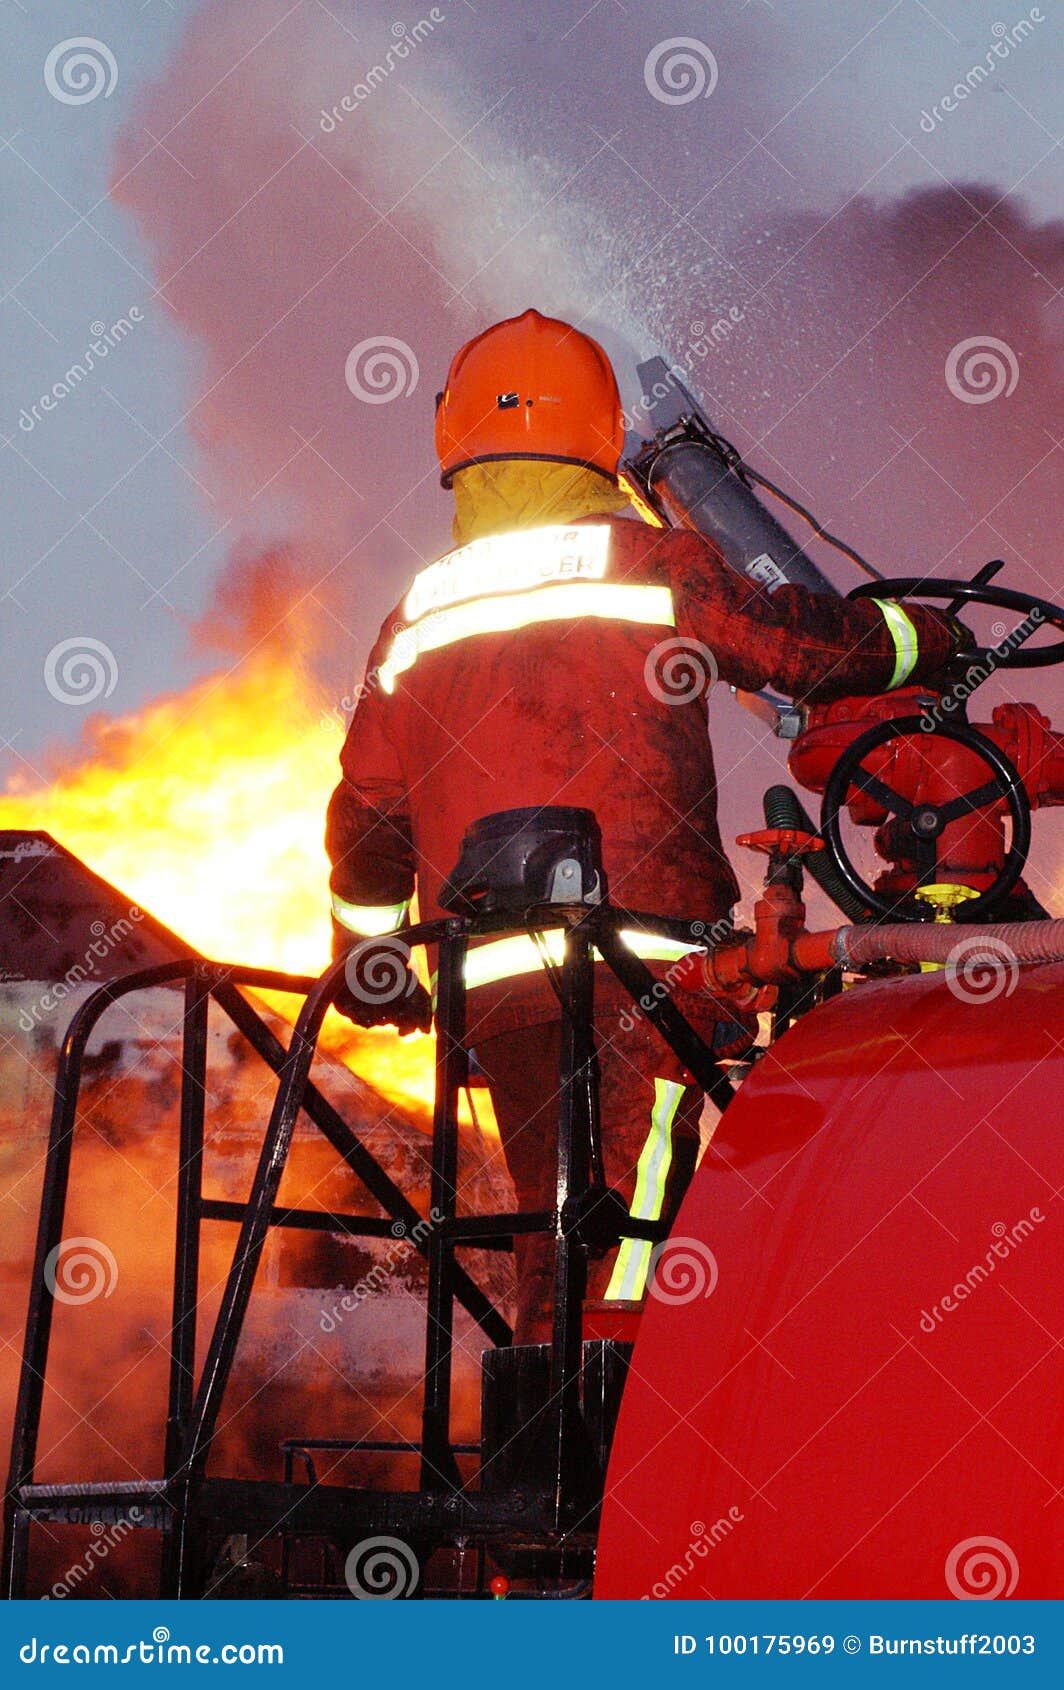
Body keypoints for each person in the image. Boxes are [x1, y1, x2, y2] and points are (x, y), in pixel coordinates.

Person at [325, 308, 959, 1342]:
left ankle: (550, 1450)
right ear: (596, 432)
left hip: (492, 995)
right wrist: (919, 639)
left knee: (557, 1230)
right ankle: (598, 1470)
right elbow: (789, 646)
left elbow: (365, 818)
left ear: (455, 447)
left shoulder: (415, 615)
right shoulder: (651, 561)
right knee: (628, 1247)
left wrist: (370, 966)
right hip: (649, 975)